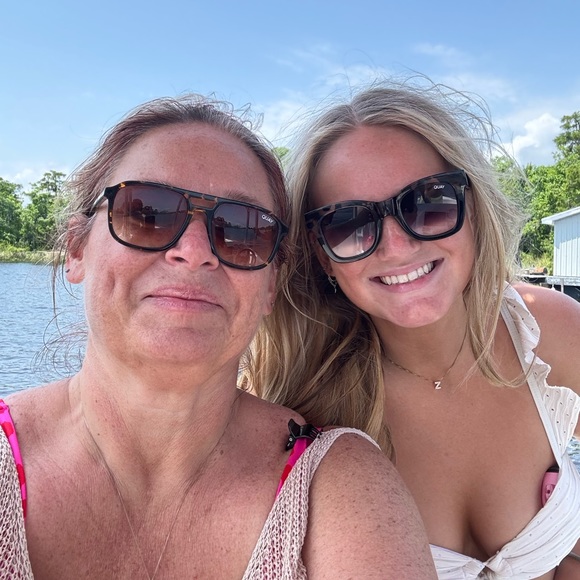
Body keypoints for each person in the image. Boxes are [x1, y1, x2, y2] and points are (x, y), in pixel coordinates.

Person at [0, 95, 436, 579]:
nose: (194, 251)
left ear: (271, 285)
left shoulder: (338, 488)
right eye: (147, 212)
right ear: (77, 249)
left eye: (242, 230)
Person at [243, 81, 580, 579]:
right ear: (322, 254)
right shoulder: (295, 410)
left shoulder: (546, 331)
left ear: (473, 207)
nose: (397, 246)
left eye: (428, 202)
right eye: (348, 223)